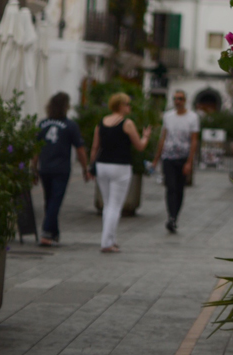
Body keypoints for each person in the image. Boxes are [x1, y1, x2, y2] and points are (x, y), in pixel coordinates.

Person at [89, 91, 152, 252]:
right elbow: (139, 146)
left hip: (102, 165)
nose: (129, 107)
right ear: (121, 106)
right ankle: (106, 242)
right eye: (127, 104)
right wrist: (146, 136)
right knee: (115, 206)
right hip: (120, 166)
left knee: (108, 205)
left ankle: (110, 238)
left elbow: (95, 147)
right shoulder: (127, 123)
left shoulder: (101, 122)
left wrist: (91, 166)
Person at [34, 92, 89, 246]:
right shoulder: (70, 126)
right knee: (55, 201)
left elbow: (35, 149)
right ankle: (46, 232)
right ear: (66, 106)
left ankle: (54, 232)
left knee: (49, 200)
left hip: (45, 168)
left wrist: (33, 167)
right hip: (61, 169)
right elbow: (80, 149)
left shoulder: (42, 124)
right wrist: (85, 168)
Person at [152, 87, 200, 233]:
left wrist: (190, 162)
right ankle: (171, 217)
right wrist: (156, 159)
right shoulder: (168, 116)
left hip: (183, 157)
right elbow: (163, 137)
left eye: (180, 99)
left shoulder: (193, 117)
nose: (177, 101)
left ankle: (175, 216)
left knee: (179, 189)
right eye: (175, 99)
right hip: (168, 157)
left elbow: (194, 141)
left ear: (185, 101)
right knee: (171, 187)